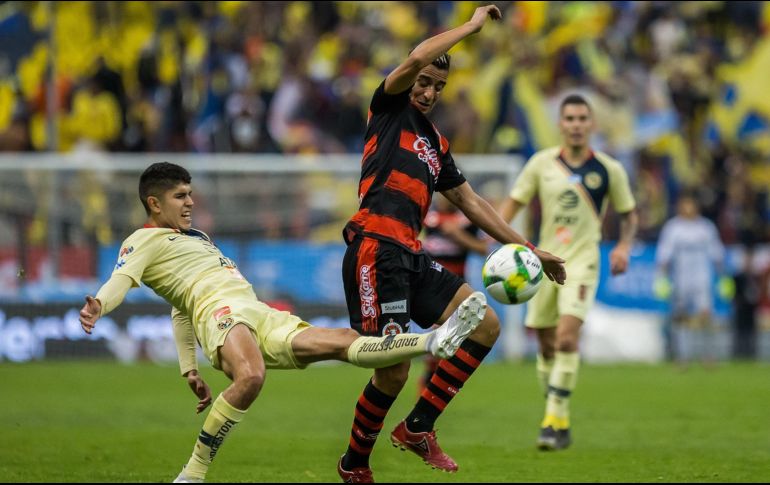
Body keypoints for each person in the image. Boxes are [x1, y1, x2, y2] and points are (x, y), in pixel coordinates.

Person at [78, 162, 492, 484]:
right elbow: (121, 281)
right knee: (251, 376)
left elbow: (176, 307)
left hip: (259, 313)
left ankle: (433, 342)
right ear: (154, 203)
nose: (189, 203)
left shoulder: (198, 239)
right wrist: (100, 303)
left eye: (190, 195)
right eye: (180, 196)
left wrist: (188, 367)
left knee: (345, 342)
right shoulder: (142, 241)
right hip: (220, 314)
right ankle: (193, 473)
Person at [337, 5, 567, 482]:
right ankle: (354, 463)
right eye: (423, 82)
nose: (428, 92)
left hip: (411, 253)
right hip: (375, 249)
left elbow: (471, 201)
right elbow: (418, 55)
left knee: (484, 324)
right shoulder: (388, 108)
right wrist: (472, 27)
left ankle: (419, 426)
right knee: (394, 369)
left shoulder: (435, 144)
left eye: (438, 87)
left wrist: (529, 249)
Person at [499, 94, 638, 451]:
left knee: (565, 339)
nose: (576, 125)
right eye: (570, 118)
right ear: (561, 124)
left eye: (582, 118)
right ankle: (557, 413)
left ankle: (553, 419)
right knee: (545, 345)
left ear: (591, 124)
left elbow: (629, 213)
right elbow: (512, 205)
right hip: (544, 262)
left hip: (582, 262)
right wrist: (501, 240)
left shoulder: (609, 169)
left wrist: (623, 246)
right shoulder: (541, 164)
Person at [419, 193, 490, 393]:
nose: (445, 199)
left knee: (449, 344)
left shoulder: (467, 220)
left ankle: (434, 390)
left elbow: (483, 248)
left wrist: (458, 235)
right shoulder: (426, 215)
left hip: (458, 289)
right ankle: (427, 391)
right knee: (437, 343)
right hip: (428, 287)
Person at [654, 191, 731, 368]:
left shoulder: (706, 227)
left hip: (701, 278)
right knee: (681, 317)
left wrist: (723, 277)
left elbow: (717, 254)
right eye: (684, 204)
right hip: (681, 279)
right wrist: (662, 278)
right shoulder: (673, 228)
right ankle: (683, 356)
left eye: (691, 204)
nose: (688, 208)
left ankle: (708, 355)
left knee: (705, 316)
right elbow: (664, 256)